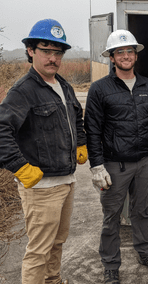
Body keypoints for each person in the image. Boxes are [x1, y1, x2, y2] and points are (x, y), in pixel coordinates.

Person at [0, 19, 87, 284]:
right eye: (46, 50)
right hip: (40, 188)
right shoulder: (23, 91)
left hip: (66, 180)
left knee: (58, 242)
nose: (53, 58)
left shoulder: (63, 85)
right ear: (30, 51)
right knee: (38, 250)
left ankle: (53, 281)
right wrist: (19, 166)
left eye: (57, 52)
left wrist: (80, 143)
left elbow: (76, 118)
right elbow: (1, 130)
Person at [84, 29, 148, 283]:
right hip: (115, 164)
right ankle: (111, 264)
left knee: (142, 210)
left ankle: (145, 252)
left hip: (145, 160)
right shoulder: (100, 89)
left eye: (129, 51)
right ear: (111, 57)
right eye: (119, 52)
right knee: (111, 216)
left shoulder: (147, 85)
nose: (125, 56)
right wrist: (97, 166)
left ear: (136, 55)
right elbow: (92, 130)